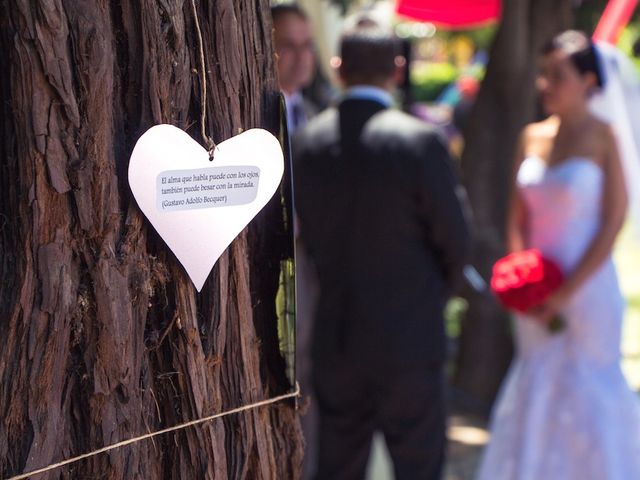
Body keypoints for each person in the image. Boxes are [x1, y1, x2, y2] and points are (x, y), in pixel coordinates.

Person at [293, 20, 471, 480]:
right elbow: (456, 240)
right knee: (419, 469)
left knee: (338, 468)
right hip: (411, 341)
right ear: (396, 69)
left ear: (338, 68)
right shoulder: (419, 141)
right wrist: (432, 296)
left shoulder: (306, 143)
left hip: (338, 339)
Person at [477, 30, 640, 479]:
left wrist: (566, 292)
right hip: (534, 293)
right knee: (536, 384)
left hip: (587, 291)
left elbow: (613, 221)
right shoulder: (531, 137)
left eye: (557, 75)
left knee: (591, 390)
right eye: (543, 74)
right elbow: (516, 216)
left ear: (588, 80)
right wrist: (523, 280)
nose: (544, 84)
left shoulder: (606, 137)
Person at [271, 4, 318, 134]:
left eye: (307, 45)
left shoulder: (313, 113)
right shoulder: (257, 115)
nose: (301, 56)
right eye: (288, 46)